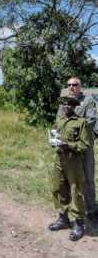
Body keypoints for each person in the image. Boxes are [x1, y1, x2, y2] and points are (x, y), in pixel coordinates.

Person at [56, 77, 98, 223]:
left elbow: (91, 121)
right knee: (67, 177)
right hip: (66, 145)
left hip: (84, 144)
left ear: (80, 86)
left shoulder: (87, 101)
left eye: (74, 85)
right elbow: (59, 120)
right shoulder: (64, 102)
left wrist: (74, 126)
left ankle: (91, 209)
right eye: (69, 85)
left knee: (87, 176)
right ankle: (68, 210)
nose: (71, 87)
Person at [49, 96, 91, 241]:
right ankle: (63, 219)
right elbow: (54, 133)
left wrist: (70, 145)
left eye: (69, 105)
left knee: (76, 190)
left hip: (73, 160)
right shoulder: (59, 120)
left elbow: (85, 144)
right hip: (59, 158)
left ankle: (79, 223)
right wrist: (53, 142)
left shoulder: (81, 122)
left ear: (74, 107)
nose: (66, 107)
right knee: (58, 188)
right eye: (64, 104)